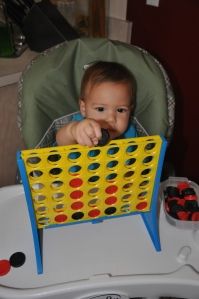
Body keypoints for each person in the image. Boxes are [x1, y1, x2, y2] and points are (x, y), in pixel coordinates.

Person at [56, 61, 137, 147]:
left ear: (130, 110)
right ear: (84, 108)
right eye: (100, 109)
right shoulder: (81, 128)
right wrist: (73, 131)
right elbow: (61, 140)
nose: (111, 119)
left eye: (120, 110)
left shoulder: (129, 132)